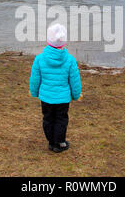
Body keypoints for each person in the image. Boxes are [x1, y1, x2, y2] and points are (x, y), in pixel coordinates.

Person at [29, 24, 82, 153]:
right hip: (63, 99)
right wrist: (76, 95)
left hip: (46, 97)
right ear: (64, 42)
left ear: (48, 40)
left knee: (48, 118)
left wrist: (34, 92)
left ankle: (51, 141)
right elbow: (74, 81)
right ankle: (59, 142)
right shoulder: (70, 60)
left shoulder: (39, 59)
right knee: (61, 120)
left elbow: (35, 79)